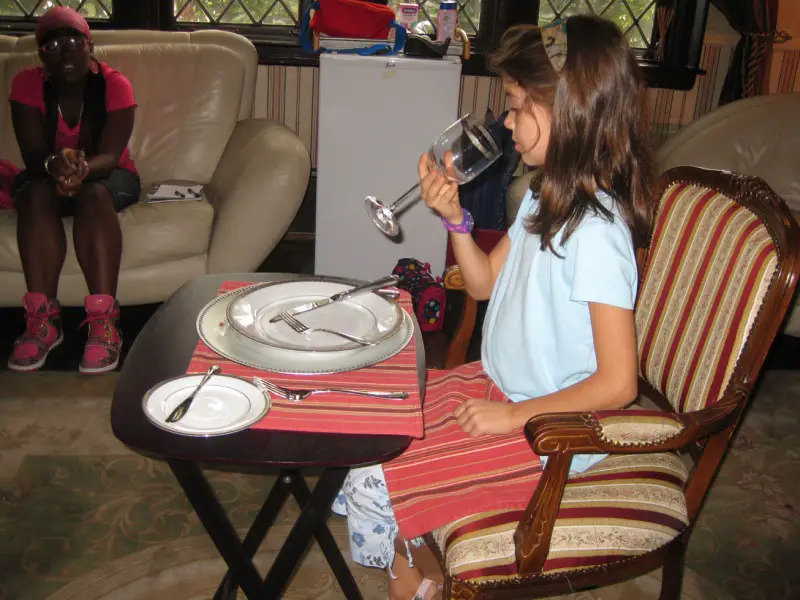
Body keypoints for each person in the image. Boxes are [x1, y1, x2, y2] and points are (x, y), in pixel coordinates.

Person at [332, 14, 655, 600]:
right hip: (499, 387)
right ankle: (421, 579)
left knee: (377, 477)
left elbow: (617, 383)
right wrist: (455, 218)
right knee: (368, 437)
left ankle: (417, 586)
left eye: (514, 106)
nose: (505, 123)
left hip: (554, 433)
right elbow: (480, 284)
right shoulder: (543, 192)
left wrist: (515, 418)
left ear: (571, 111)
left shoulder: (599, 234)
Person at [7, 6, 140, 374]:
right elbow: (33, 154)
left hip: (107, 176)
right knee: (33, 195)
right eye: (52, 46)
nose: (64, 52)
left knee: (93, 195)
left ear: (89, 45)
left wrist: (80, 169)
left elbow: (110, 156)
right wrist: (56, 167)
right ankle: (43, 322)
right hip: (47, 175)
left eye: (72, 42)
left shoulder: (115, 84)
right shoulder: (26, 83)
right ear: (40, 55)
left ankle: (103, 323)